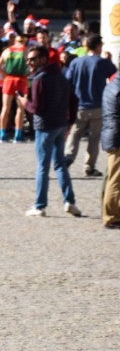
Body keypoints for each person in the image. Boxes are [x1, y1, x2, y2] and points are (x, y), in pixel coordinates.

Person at [17, 46, 81, 218]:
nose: (29, 63)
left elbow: (36, 107)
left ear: (43, 59)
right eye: (28, 60)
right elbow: (74, 100)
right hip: (60, 124)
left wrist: (24, 102)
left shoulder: (40, 79)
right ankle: (69, 201)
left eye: (32, 59)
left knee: (43, 167)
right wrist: (70, 122)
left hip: (45, 126)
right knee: (60, 165)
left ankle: (40, 205)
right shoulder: (62, 77)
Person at [64, 35, 117, 177]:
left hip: (79, 105)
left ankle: (68, 157)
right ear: (98, 46)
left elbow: (68, 81)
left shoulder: (76, 62)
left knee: (74, 134)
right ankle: (89, 166)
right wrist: (109, 60)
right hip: (98, 105)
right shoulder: (103, 63)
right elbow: (114, 78)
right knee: (94, 138)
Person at [100, 74, 120, 228]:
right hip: (117, 135)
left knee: (110, 176)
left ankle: (108, 212)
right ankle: (111, 216)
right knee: (115, 179)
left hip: (111, 133)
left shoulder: (112, 85)